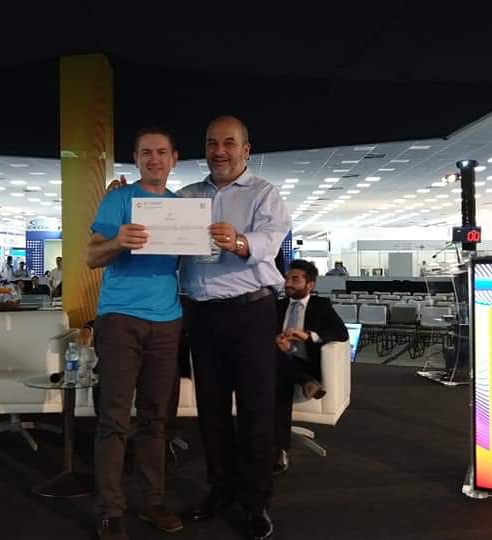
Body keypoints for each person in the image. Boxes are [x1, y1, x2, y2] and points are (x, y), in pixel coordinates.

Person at [177, 116, 289, 540]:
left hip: (251, 313)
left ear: (246, 149)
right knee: (211, 410)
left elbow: (271, 240)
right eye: (211, 143)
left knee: (257, 410)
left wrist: (240, 242)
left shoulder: (264, 194)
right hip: (201, 315)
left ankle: (256, 502)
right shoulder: (187, 197)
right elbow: (158, 233)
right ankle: (220, 489)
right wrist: (126, 199)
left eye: (228, 143)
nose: (219, 151)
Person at [86, 127, 185, 539]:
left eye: (162, 152)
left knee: (156, 418)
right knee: (114, 417)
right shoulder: (119, 199)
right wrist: (117, 242)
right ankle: (111, 509)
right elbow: (91, 256)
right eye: (146, 152)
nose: (154, 159)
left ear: (174, 159)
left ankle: (152, 500)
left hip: (167, 319)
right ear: (136, 158)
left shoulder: (183, 209)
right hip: (119, 318)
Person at [273, 259, 348, 475]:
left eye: (295, 279)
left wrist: (308, 336)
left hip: (307, 364)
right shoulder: (277, 306)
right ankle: (306, 383)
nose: (288, 283)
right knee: (278, 368)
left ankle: (279, 449)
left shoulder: (321, 306)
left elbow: (341, 333)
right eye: (287, 278)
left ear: (310, 285)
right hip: (279, 362)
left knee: (280, 380)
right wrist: (277, 341)